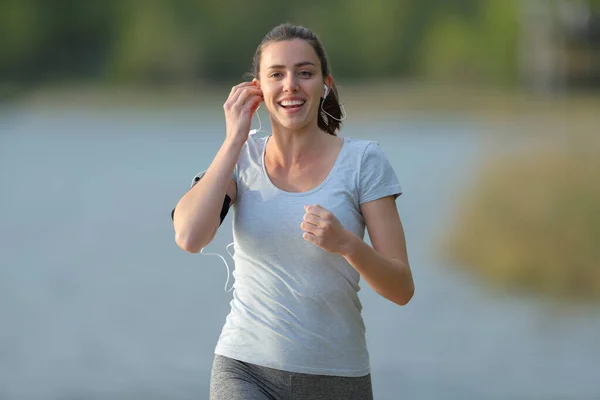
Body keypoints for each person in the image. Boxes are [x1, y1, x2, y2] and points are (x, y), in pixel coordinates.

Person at [171, 23, 414, 400]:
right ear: (258, 88)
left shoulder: (364, 161)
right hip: (245, 368)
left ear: (325, 84)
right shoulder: (240, 159)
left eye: (304, 73)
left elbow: (401, 288)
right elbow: (189, 236)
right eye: (277, 75)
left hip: (338, 378)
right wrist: (234, 138)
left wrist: (348, 244)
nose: (291, 85)